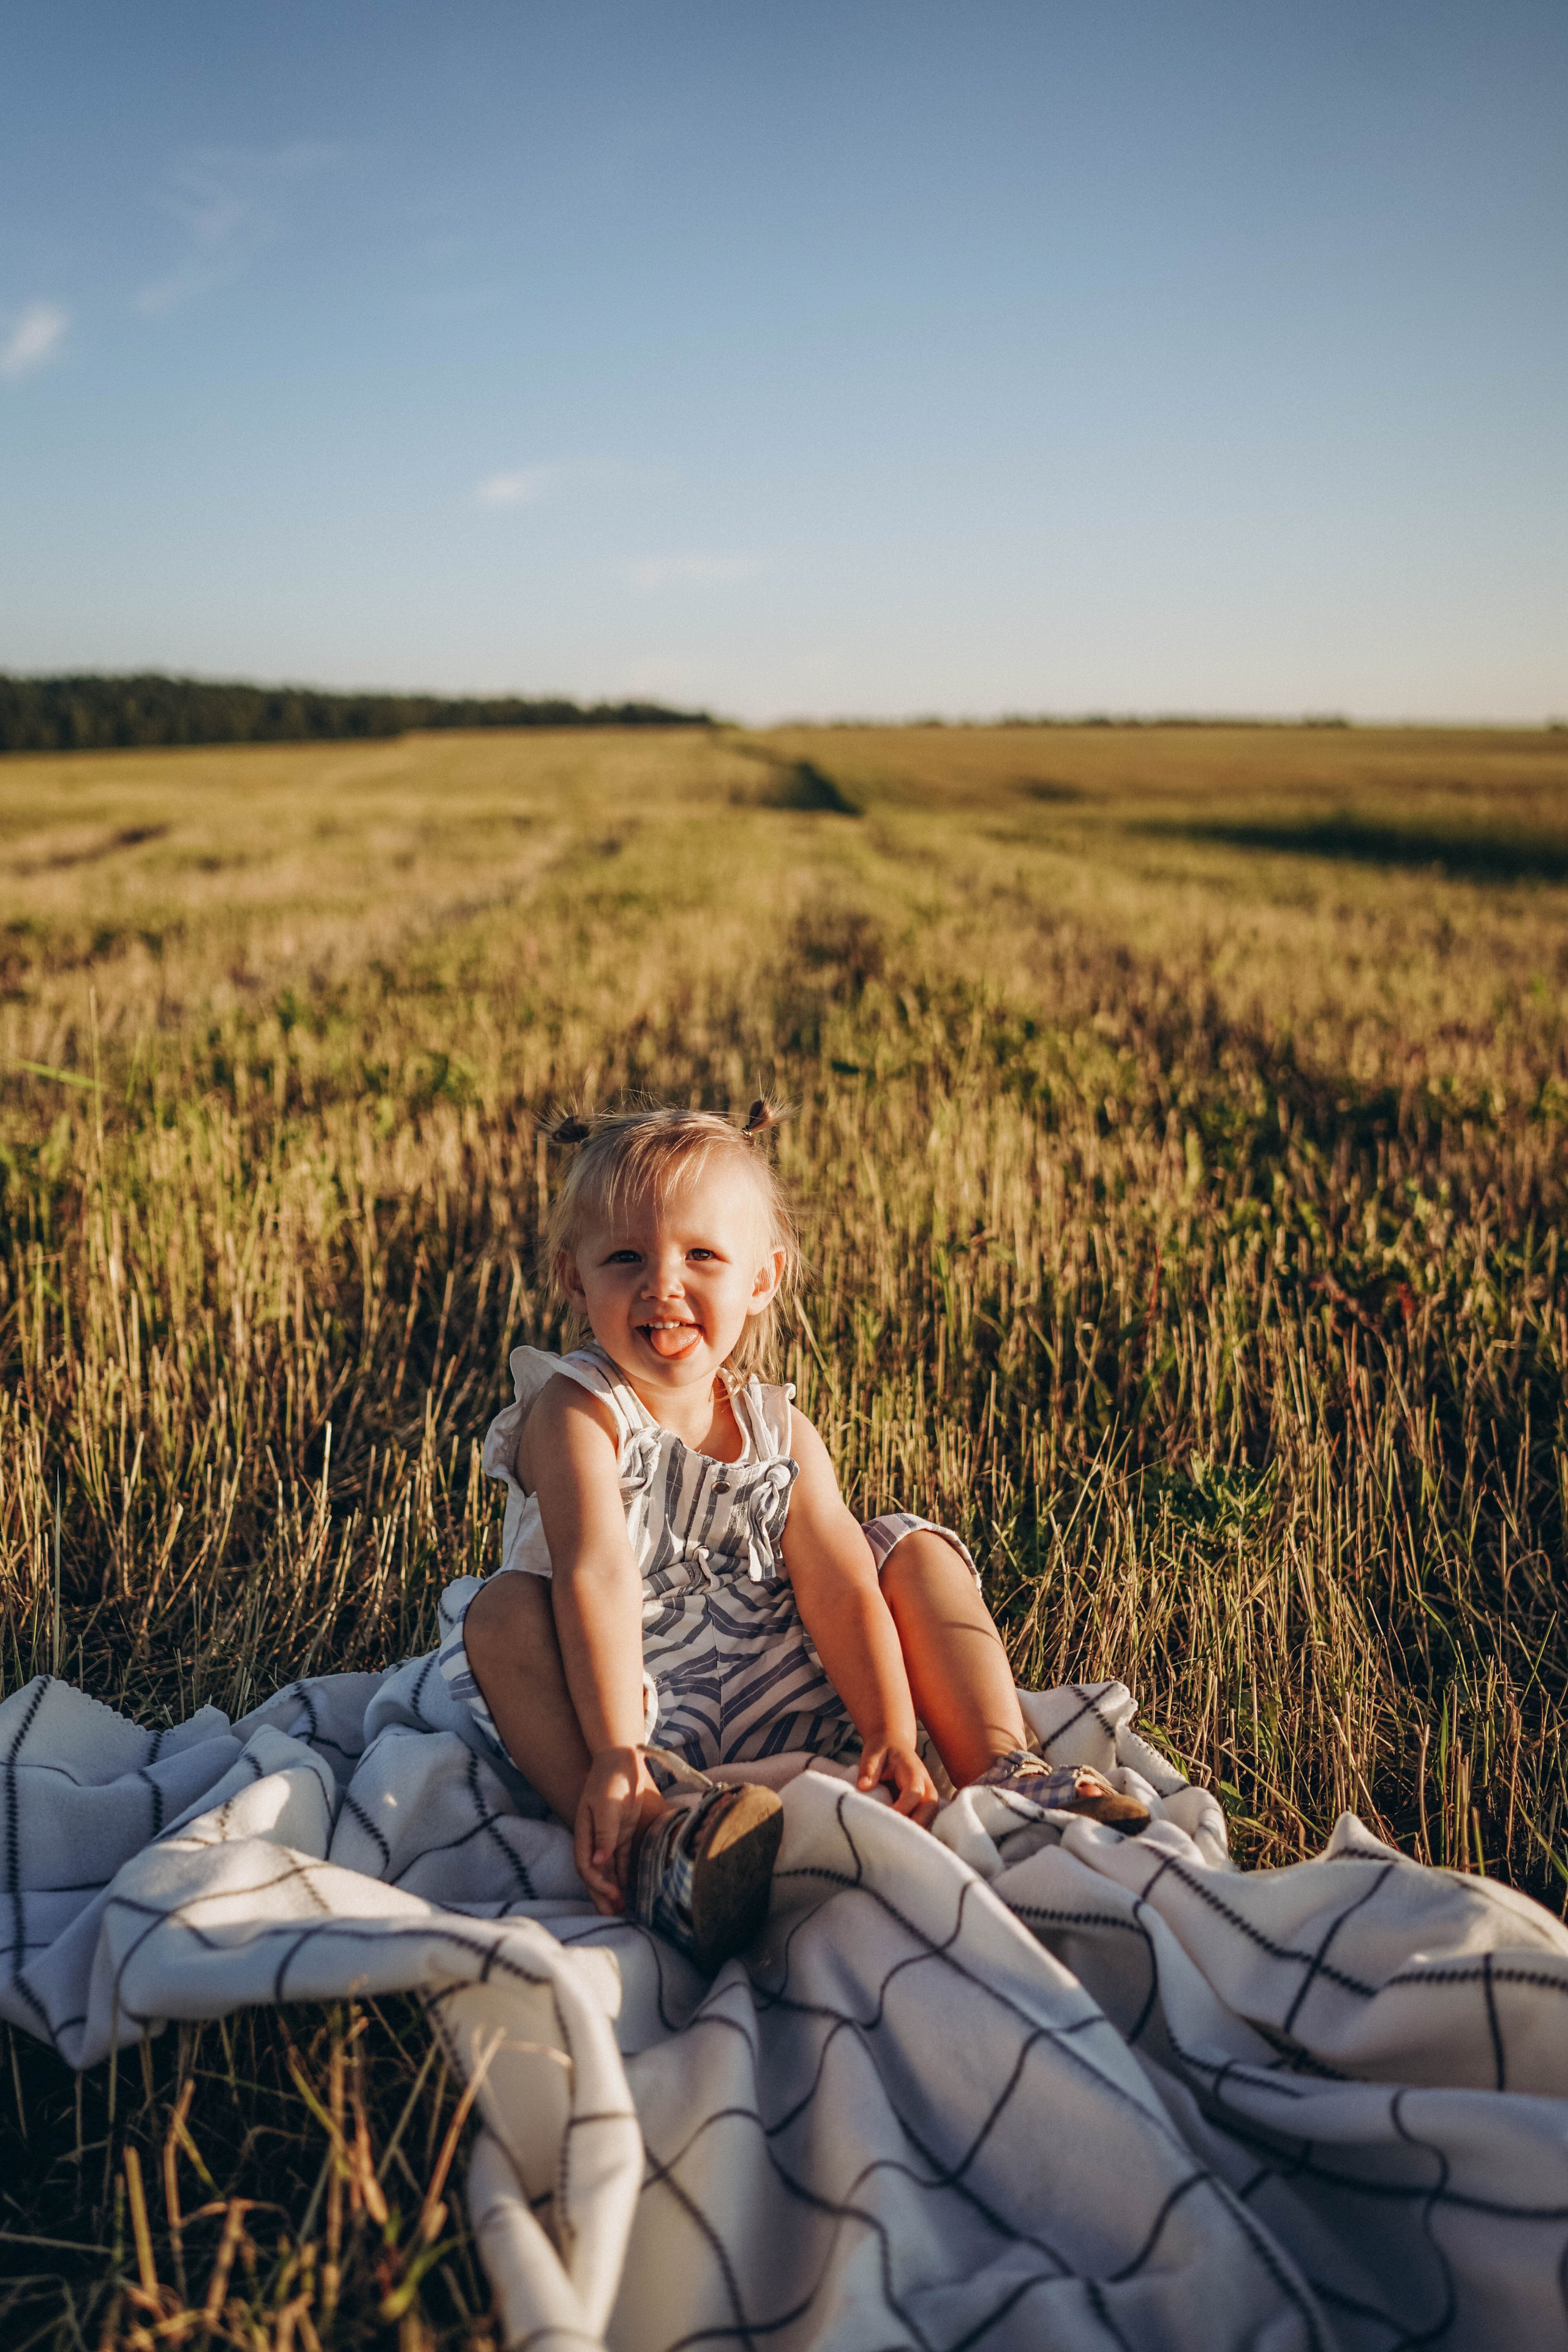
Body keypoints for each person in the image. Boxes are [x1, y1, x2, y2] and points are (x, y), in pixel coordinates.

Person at [444, 1102, 1145, 1972]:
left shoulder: (778, 1426)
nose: (663, 1283)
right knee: (503, 1615)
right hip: (634, 1704)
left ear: (762, 1280)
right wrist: (618, 1749)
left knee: (909, 1549)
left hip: (795, 1688)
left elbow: (841, 1583)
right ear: (573, 1281)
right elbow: (596, 1574)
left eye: (701, 1255)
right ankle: (648, 1831)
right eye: (626, 1258)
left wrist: (889, 1727)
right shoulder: (579, 1411)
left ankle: (1000, 1771)